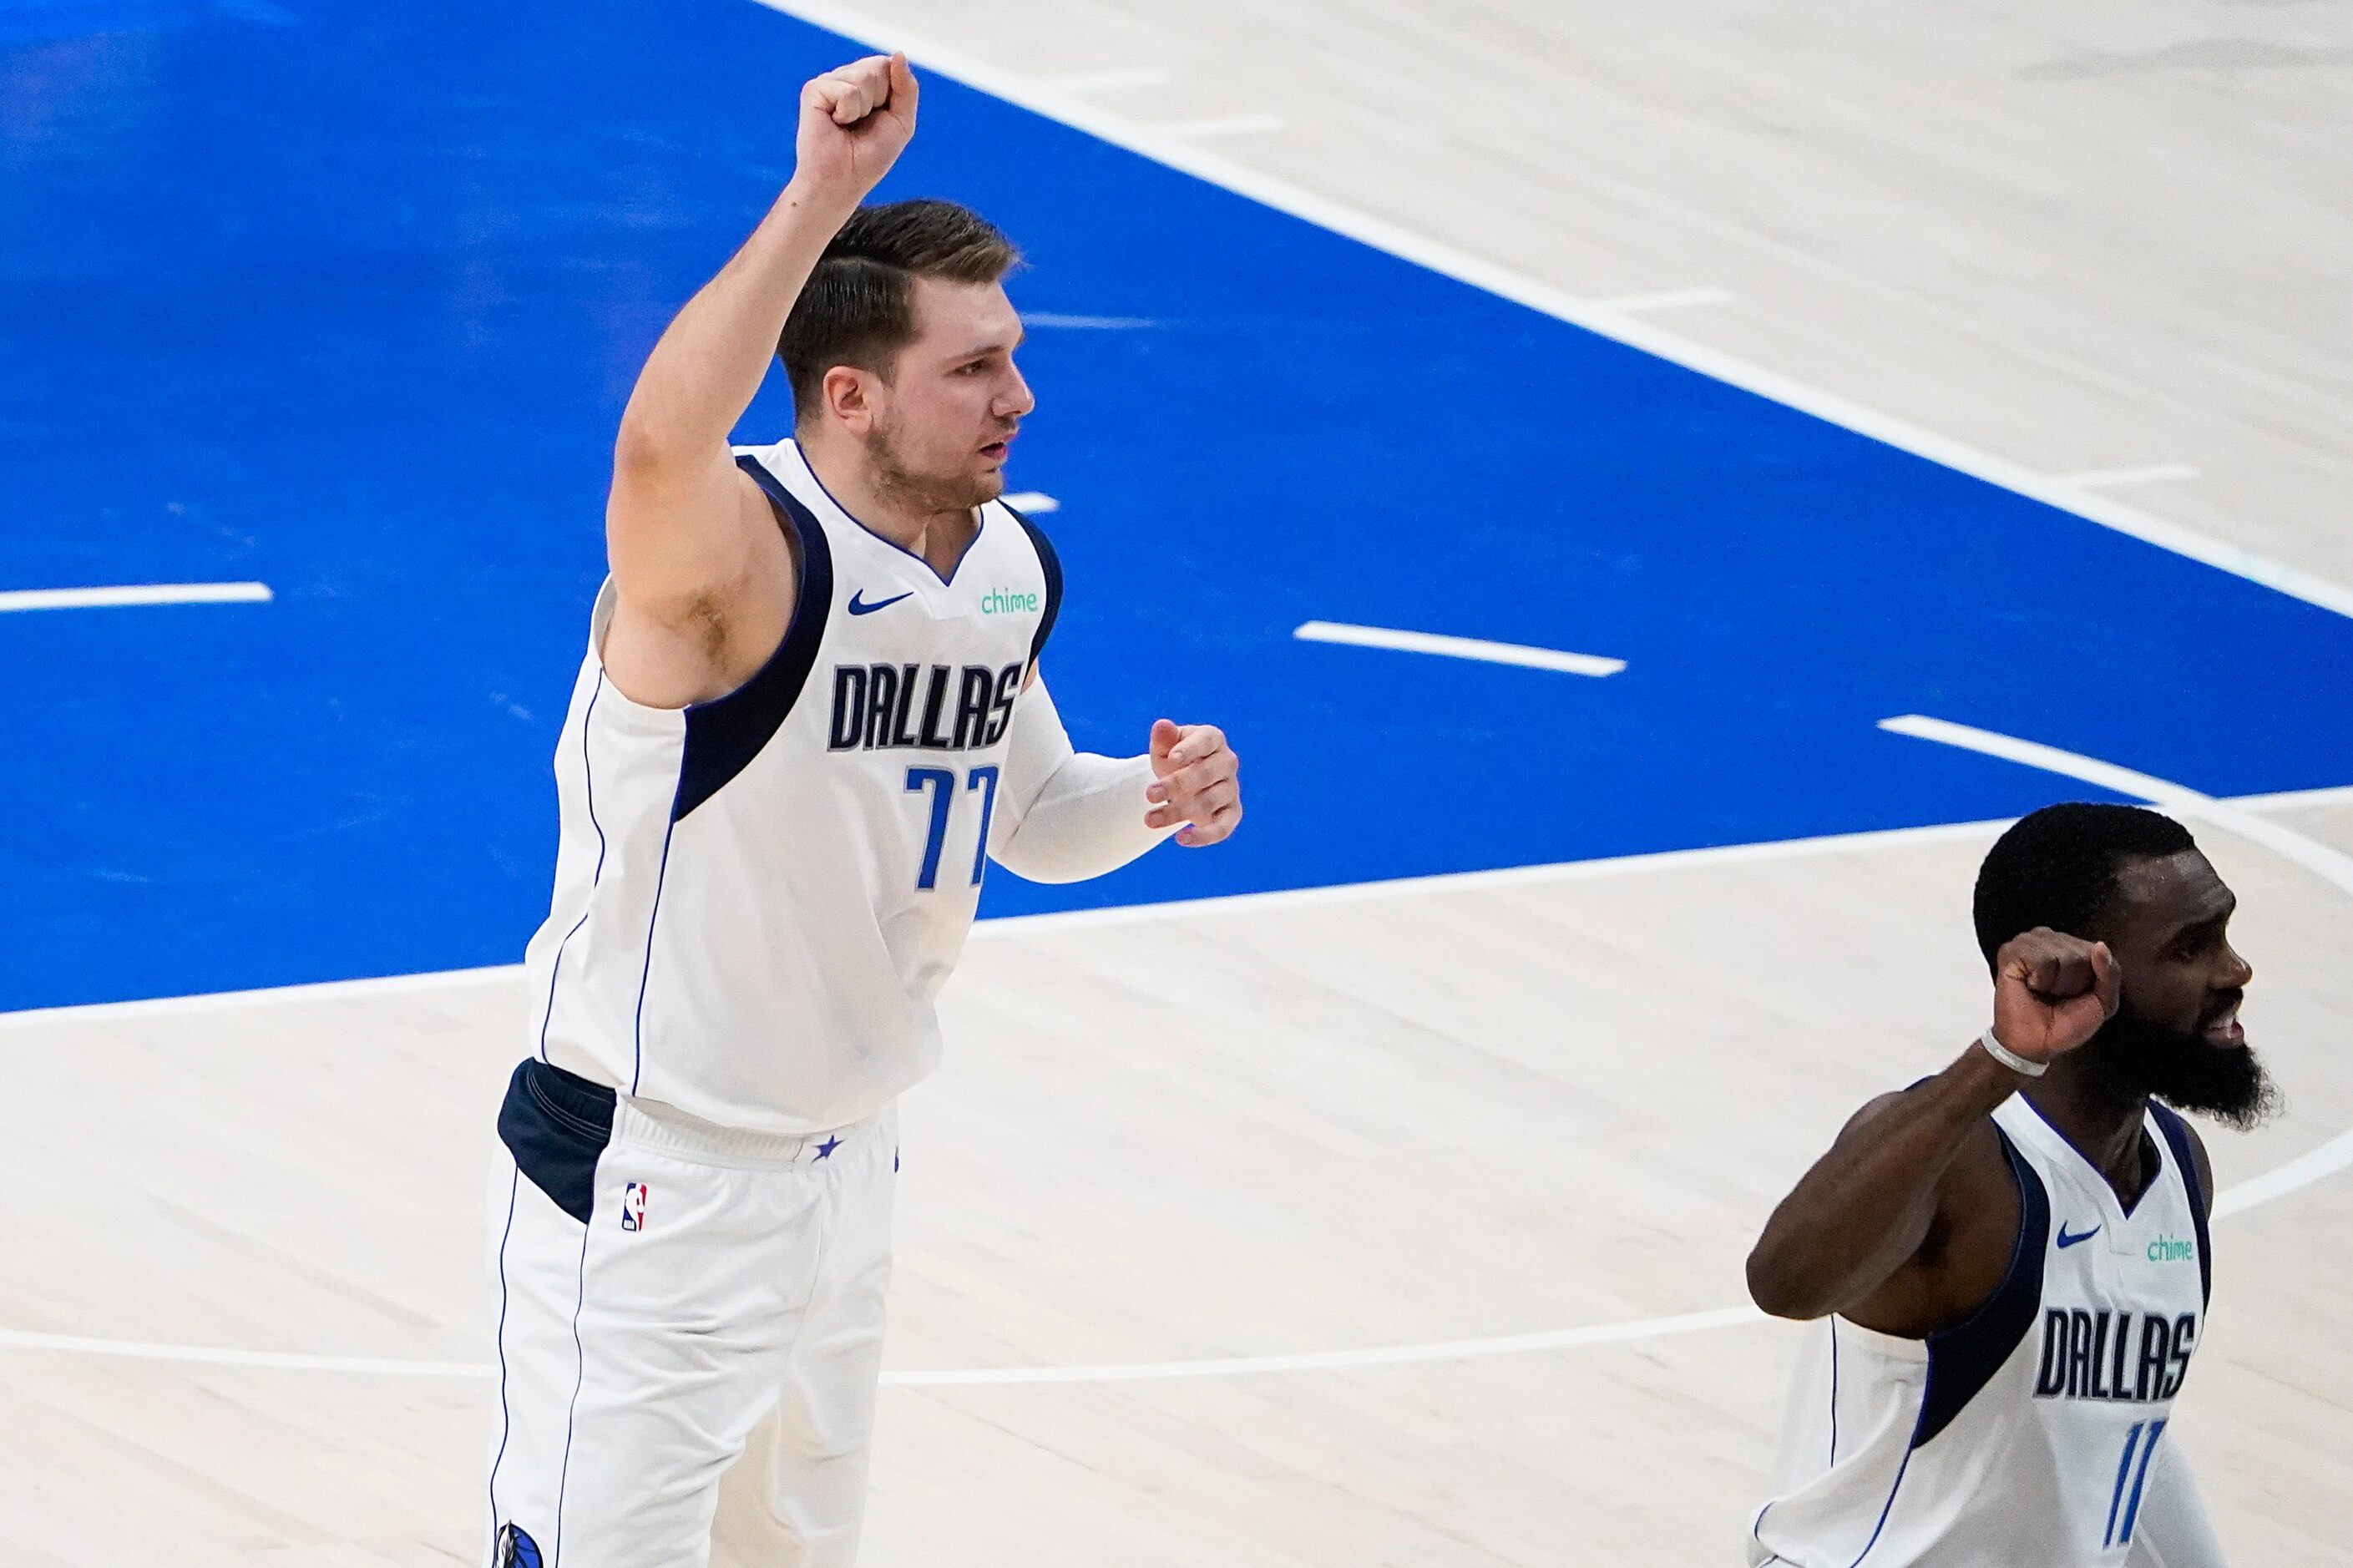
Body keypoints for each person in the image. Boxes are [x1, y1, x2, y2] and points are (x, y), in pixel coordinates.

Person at [483, 53, 1242, 1568]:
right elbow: (652, 448)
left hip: (847, 1172)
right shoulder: (735, 564)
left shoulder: (1000, 563)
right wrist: (820, 192)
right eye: (973, 367)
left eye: (1012, 357)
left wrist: (1148, 802)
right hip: (657, 1176)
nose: (1018, 396)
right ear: (850, 392)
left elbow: (1028, 818)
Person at [1743, 802, 2275, 1566]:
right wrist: (2001, 1058)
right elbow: (1785, 1281)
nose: (2235, 971)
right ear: (2085, 968)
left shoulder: (2176, 1163)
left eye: (2223, 931)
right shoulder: (1960, 1158)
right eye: (2191, 948)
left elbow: (2113, 1438)